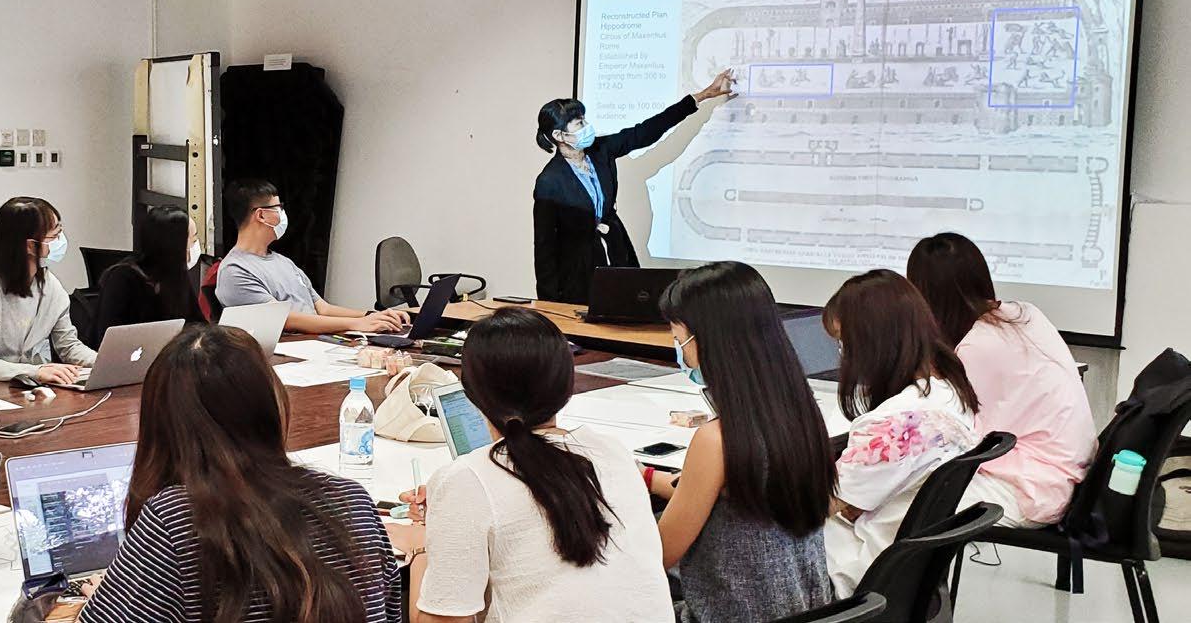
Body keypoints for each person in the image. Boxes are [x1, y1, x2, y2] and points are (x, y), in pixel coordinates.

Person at [82, 325, 400, 622]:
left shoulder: (173, 520)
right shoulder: (353, 501)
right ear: (272, 404)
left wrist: (117, 599)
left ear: (160, 424)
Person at [389, 308, 670, 622]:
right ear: (567, 385)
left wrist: (426, 546)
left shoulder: (469, 479)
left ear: (471, 393)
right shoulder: (611, 451)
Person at [647, 261, 836, 622]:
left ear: (708, 340)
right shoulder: (800, 415)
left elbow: (659, 554)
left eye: (678, 338)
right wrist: (647, 477)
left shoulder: (717, 440)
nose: (678, 350)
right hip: (806, 608)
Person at [907, 232, 1093, 528]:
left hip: (1035, 487)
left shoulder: (977, 346)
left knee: (905, 503)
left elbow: (956, 431)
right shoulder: (1025, 313)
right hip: (1069, 472)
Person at [820, 270, 985, 595]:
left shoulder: (895, 424)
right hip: (906, 569)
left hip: (857, 567)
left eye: (844, 342)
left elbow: (825, 505)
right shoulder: (952, 390)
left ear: (874, 341)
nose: (843, 354)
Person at [531, 70, 735, 304]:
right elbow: (544, 247)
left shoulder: (601, 150)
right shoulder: (549, 181)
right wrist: (548, 304)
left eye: (585, 120)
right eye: (579, 123)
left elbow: (645, 131)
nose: (587, 126)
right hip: (579, 275)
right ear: (559, 135)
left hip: (617, 256)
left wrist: (701, 96)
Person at [214, 180, 408, 335]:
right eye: (278, 207)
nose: (283, 214)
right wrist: (357, 323)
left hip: (317, 342)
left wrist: (372, 316)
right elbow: (284, 319)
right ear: (261, 215)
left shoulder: (283, 262)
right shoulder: (235, 270)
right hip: (292, 350)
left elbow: (323, 308)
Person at [0, 197, 96, 383]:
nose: (60, 240)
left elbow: (68, 346)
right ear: (30, 245)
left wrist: (104, 362)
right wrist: (35, 371)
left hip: (34, 389)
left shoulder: (49, 284)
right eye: (54, 235)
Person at [94, 204, 205, 333]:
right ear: (174, 246)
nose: (195, 246)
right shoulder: (122, 279)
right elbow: (110, 335)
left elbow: (198, 324)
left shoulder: (177, 276)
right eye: (193, 240)